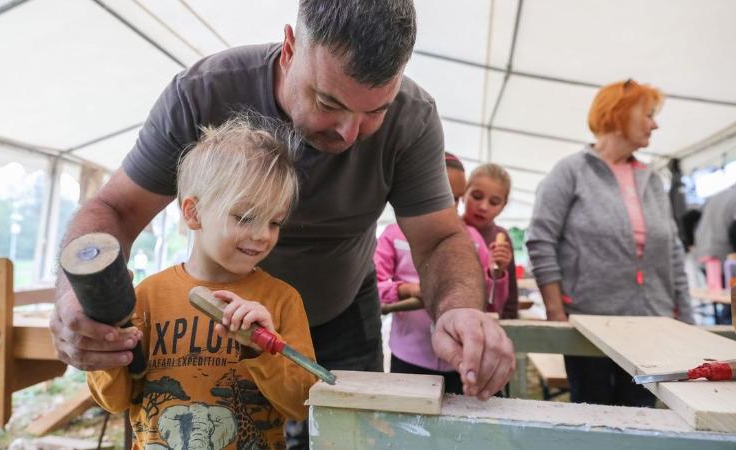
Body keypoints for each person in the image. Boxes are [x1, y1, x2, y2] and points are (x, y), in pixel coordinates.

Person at [50, 3, 515, 445]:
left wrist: (458, 308)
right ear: (290, 49)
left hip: (343, 316)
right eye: (328, 101)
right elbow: (117, 208)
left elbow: (437, 239)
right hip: (209, 321)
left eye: (375, 110)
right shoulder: (203, 92)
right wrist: (78, 295)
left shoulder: (414, 116)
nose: (348, 132)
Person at [87, 116, 317, 449]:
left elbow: (299, 404)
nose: (262, 235)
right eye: (245, 216)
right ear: (194, 213)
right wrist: (107, 343)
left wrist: (263, 349)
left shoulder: (281, 301)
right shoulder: (147, 298)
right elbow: (115, 400)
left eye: (275, 222)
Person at [526, 79, 694, 407]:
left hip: (653, 326)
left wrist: (686, 318)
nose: (655, 124)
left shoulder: (652, 179)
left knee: (643, 417)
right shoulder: (570, 172)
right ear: (620, 113)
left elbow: (673, 251)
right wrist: (556, 311)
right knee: (594, 415)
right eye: (647, 114)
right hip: (590, 325)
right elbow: (540, 239)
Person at [374, 153, 509, 394]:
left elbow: (489, 301)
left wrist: (496, 274)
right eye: (442, 196)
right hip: (409, 358)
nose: (450, 206)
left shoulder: (473, 240)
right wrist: (410, 289)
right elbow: (374, 289)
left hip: (459, 360)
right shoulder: (393, 236)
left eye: (455, 199)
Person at [461, 163, 518, 319]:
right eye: (477, 196)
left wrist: (500, 272)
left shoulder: (501, 239)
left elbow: (511, 299)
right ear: (463, 193)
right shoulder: (450, 230)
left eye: (494, 202)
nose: (483, 207)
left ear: (503, 206)